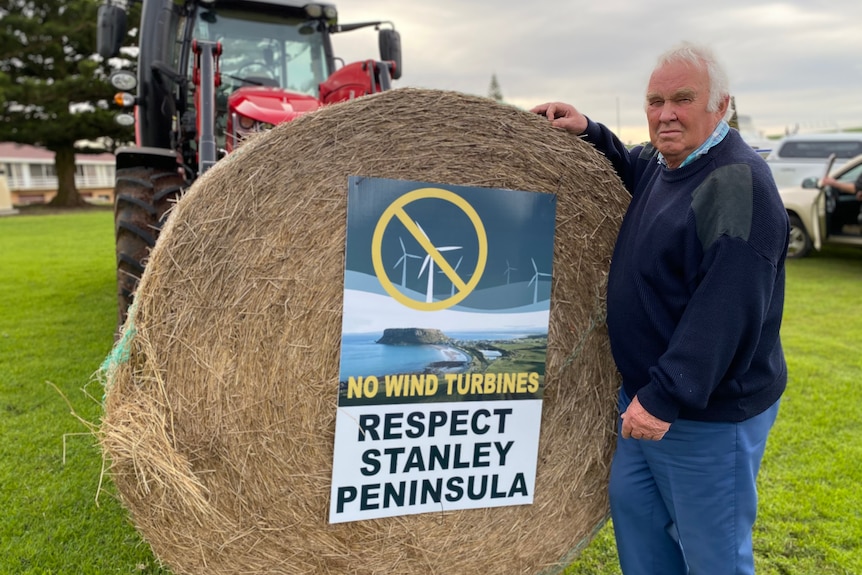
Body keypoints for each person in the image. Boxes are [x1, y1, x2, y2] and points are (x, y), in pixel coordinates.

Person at [532, 42, 788, 575]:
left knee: (712, 555)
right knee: (642, 539)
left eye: (682, 99)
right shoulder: (665, 161)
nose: (665, 113)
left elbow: (727, 309)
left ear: (722, 106)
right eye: (655, 101)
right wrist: (590, 131)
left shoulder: (738, 184)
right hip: (646, 404)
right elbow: (632, 166)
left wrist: (666, 396)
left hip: (703, 414)